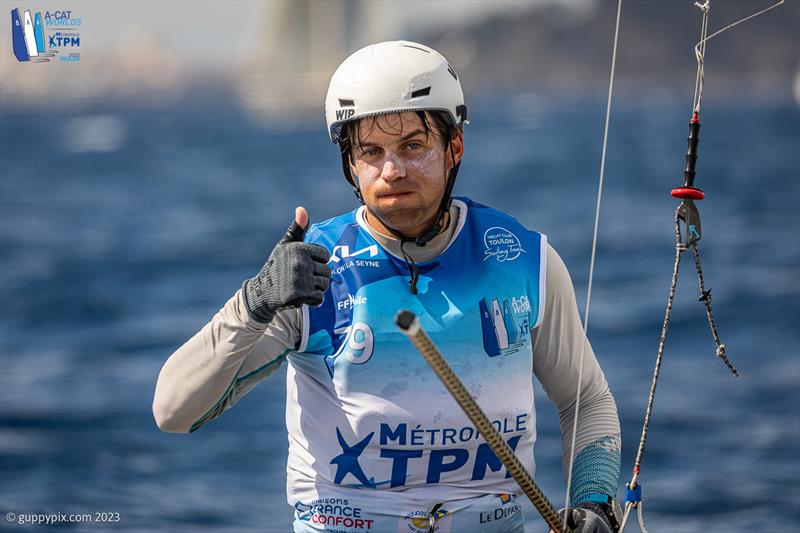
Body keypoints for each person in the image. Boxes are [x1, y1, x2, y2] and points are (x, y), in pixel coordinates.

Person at [153, 40, 622, 533]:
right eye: (371, 152)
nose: (392, 170)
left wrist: (595, 502)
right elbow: (173, 413)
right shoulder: (312, 274)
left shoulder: (525, 259)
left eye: (412, 147)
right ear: (351, 165)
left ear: (454, 148)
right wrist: (255, 302)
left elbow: (585, 399)